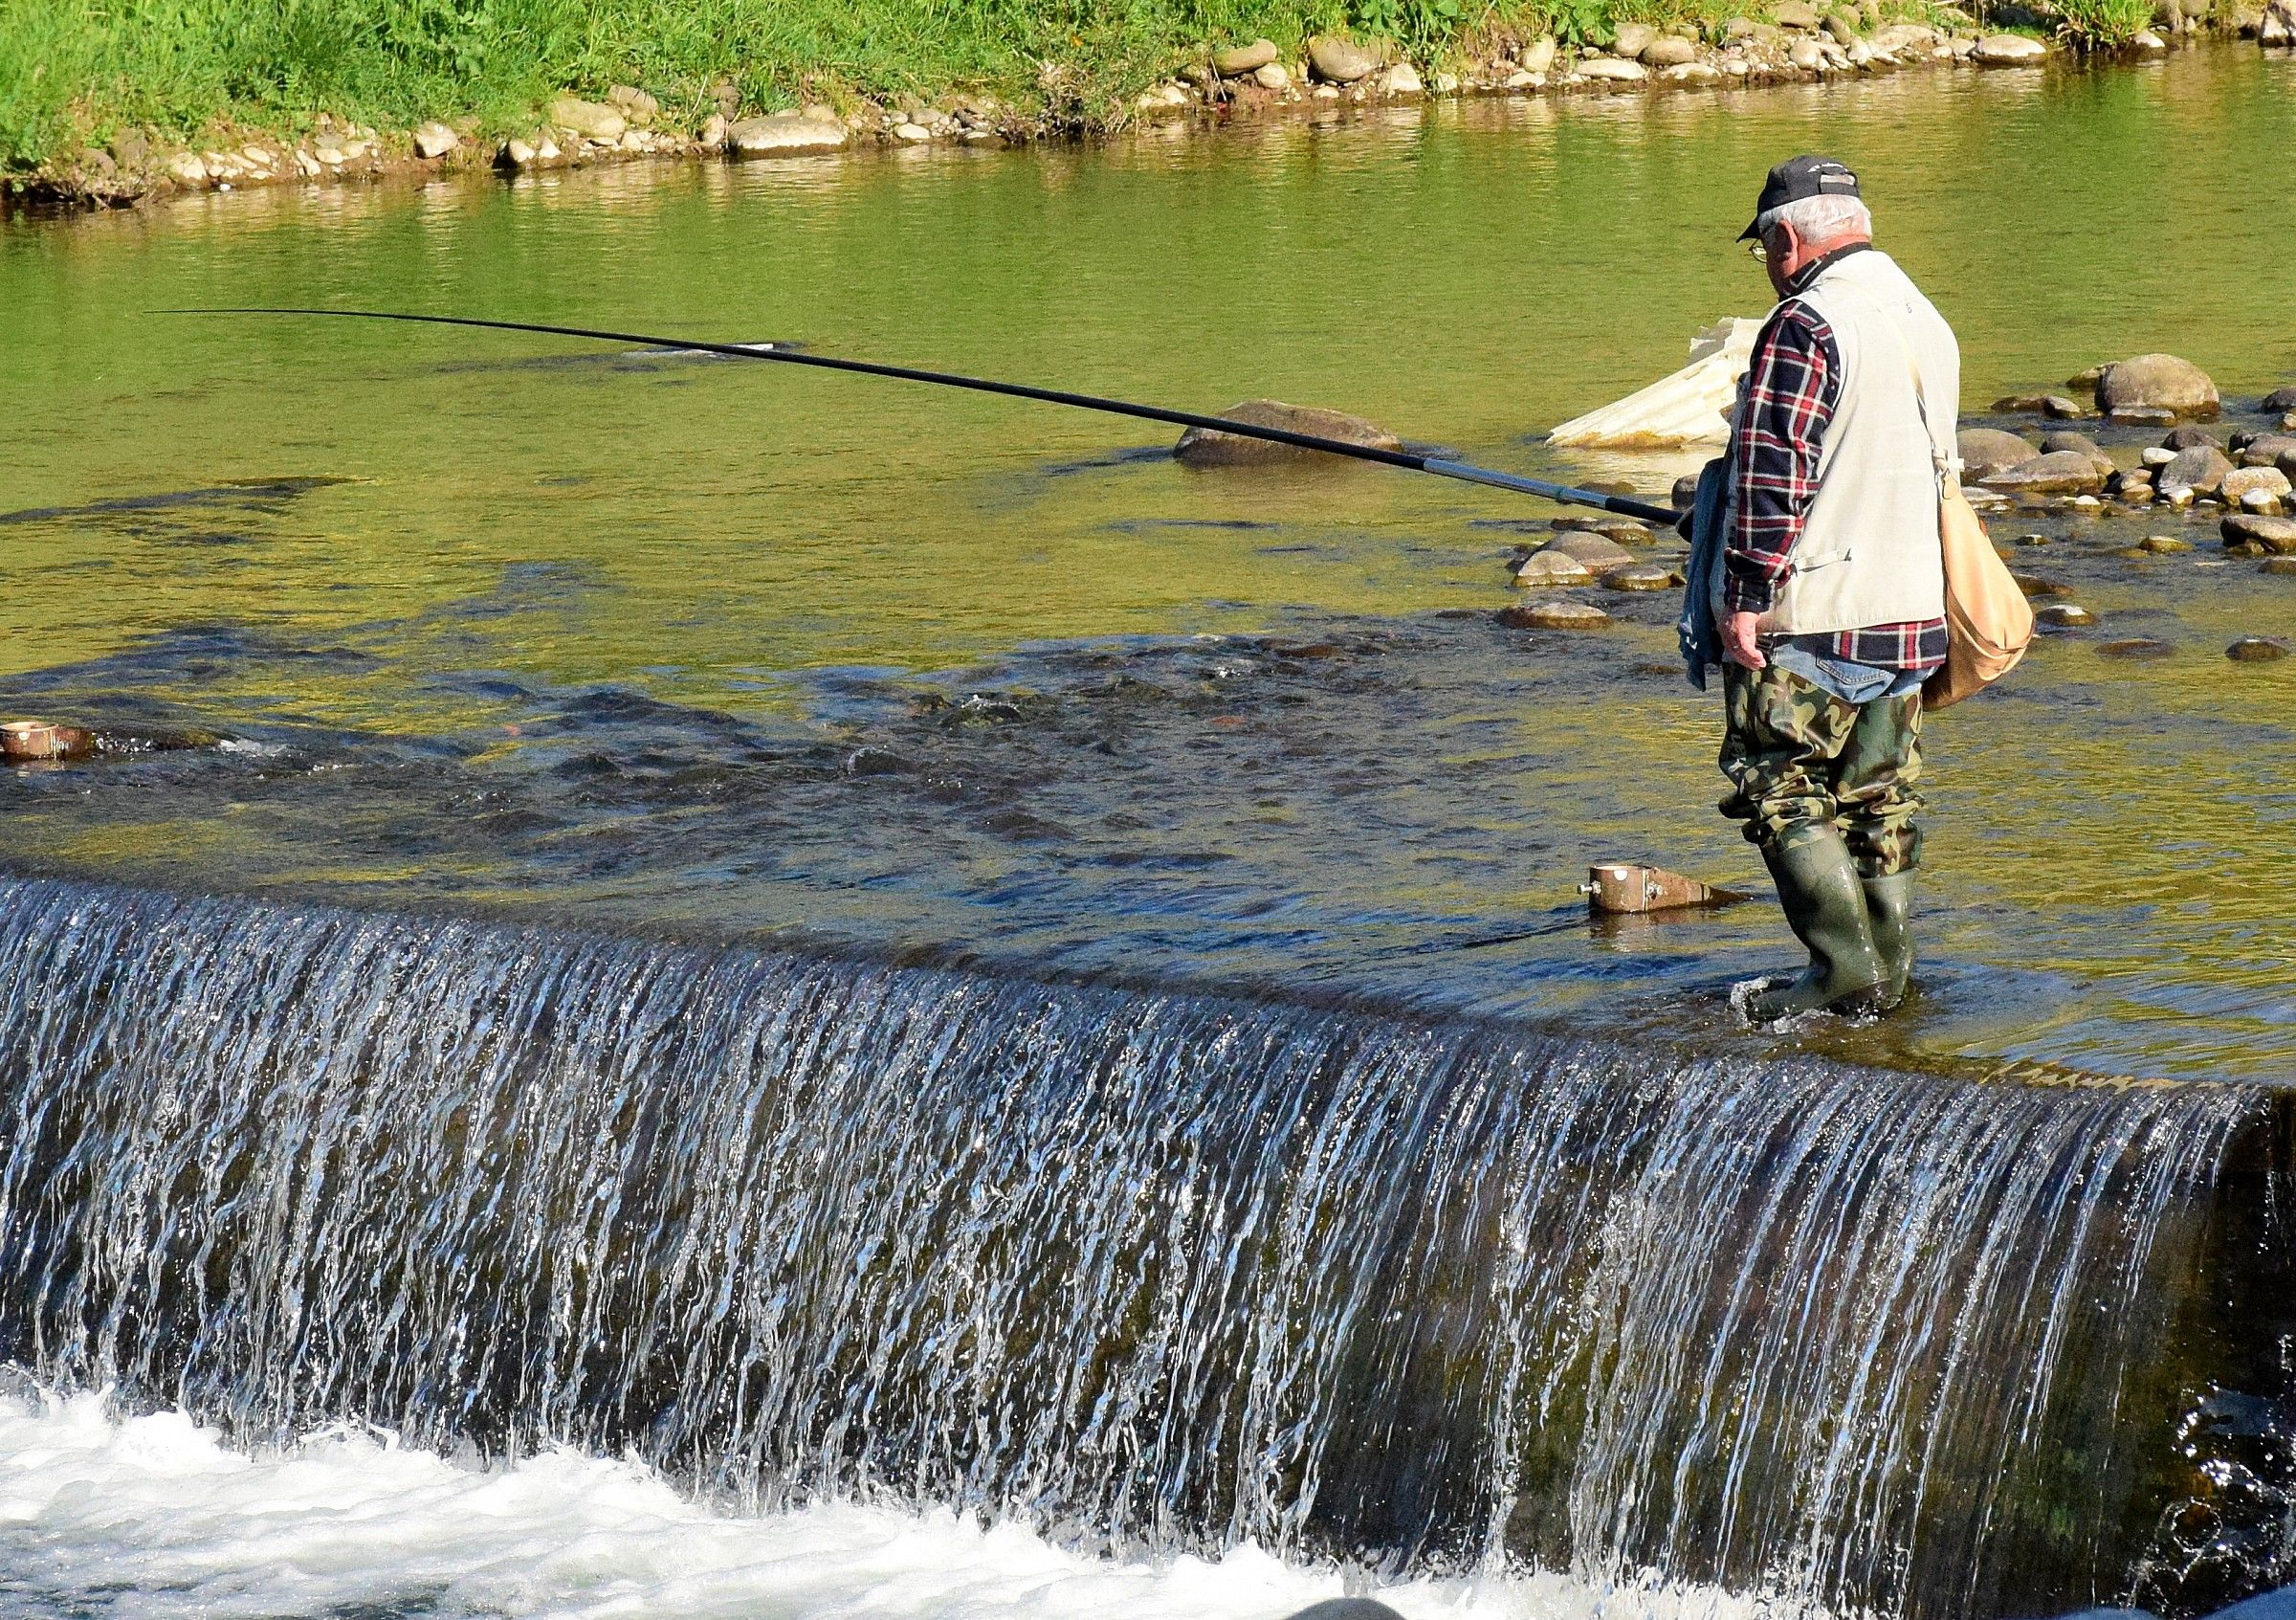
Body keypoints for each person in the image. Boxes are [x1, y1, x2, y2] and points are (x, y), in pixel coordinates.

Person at [1712, 155, 1956, 1022]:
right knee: (1881, 793)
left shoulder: (1804, 323)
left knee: (1773, 775)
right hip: (1916, 612)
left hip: (1818, 613)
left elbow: (1778, 474)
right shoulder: (1925, 316)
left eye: (1765, 249)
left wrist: (1743, 592)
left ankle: (1842, 971)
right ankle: (1887, 974)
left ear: (1786, 236)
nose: (1770, 266)